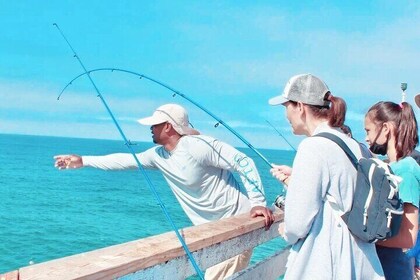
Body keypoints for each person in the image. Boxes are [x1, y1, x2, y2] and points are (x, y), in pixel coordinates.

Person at [54, 103, 274, 280]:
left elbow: (243, 161)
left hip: (236, 225)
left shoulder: (198, 146)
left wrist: (257, 202)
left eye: (155, 124)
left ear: (168, 126)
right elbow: (125, 160)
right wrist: (83, 161)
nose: (150, 128)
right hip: (214, 232)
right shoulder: (159, 155)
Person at [268, 73, 384, 279]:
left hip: (329, 264)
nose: (286, 114)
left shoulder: (313, 147)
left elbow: (297, 225)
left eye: (286, 106)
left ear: (300, 107)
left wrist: (286, 230)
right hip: (363, 263)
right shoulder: (357, 146)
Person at [364, 101, 420, 280]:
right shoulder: (393, 167)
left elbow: (407, 237)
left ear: (386, 128)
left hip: (394, 271)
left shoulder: (406, 170)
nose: (366, 138)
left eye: (368, 131)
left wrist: (364, 237)